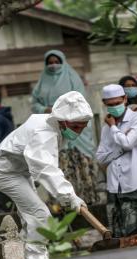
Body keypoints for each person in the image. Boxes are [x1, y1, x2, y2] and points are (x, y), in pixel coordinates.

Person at [0, 91, 91, 259]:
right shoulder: (44, 132)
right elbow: (45, 169)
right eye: (75, 127)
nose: (79, 132)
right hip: (6, 172)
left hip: (20, 170)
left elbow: (45, 166)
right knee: (40, 215)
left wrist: (67, 196)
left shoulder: (51, 124)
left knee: (31, 217)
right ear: (62, 120)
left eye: (83, 127)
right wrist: (69, 196)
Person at [31, 50, 98, 203]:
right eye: (50, 62)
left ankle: (89, 206)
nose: (53, 65)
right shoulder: (41, 83)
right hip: (54, 132)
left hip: (76, 132)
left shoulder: (73, 79)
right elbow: (34, 104)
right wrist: (46, 110)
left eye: (56, 61)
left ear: (63, 62)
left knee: (83, 172)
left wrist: (64, 114)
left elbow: (80, 103)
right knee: (60, 173)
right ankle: (64, 208)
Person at [96, 84, 137, 238]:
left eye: (117, 103)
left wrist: (114, 129)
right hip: (117, 186)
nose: (114, 107)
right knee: (126, 235)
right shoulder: (106, 129)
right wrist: (121, 148)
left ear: (125, 99)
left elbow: (128, 142)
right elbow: (100, 157)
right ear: (104, 104)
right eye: (110, 105)